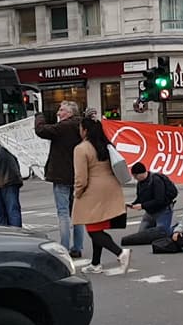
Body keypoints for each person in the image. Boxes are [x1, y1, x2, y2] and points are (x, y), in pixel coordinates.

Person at [73, 117, 131, 275]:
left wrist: (77, 193)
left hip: (93, 191)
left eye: (80, 128)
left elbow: (81, 178)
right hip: (111, 188)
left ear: (84, 130)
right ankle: (96, 263)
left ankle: (120, 253)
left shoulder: (81, 148)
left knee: (93, 229)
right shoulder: (105, 144)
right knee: (97, 226)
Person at [36, 101, 85, 258]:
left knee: (63, 213)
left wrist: (38, 116)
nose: (58, 113)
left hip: (61, 175)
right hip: (78, 175)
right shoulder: (82, 125)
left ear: (70, 113)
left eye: (62, 110)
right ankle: (77, 247)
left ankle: (64, 247)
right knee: (77, 213)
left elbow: (41, 130)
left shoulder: (64, 127)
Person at [130, 163, 174, 233]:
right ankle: (156, 229)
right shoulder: (140, 183)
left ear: (141, 173)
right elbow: (140, 198)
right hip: (150, 212)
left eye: (135, 176)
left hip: (163, 210)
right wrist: (133, 204)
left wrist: (142, 206)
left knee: (162, 234)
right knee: (142, 234)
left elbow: (159, 200)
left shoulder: (156, 180)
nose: (135, 178)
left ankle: (175, 230)